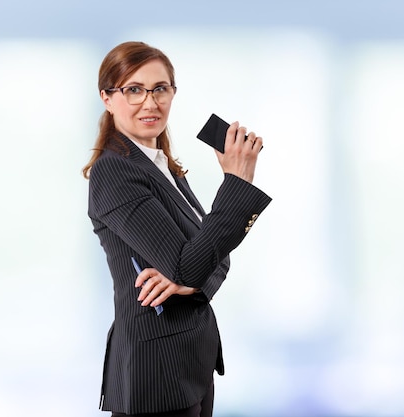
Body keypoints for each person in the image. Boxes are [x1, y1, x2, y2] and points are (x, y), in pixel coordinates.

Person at [82, 41, 272, 417]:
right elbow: (193, 262)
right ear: (107, 97)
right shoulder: (115, 171)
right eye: (133, 89)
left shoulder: (162, 166)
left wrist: (188, 280)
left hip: (189, 365)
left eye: (160, 89)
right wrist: (236, 182)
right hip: (156, 373)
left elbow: (214, 259)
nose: (149, 103)